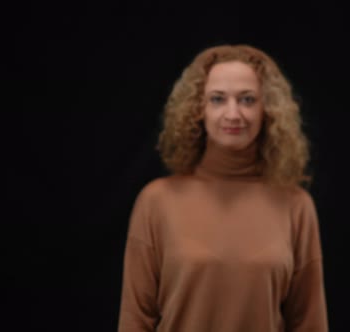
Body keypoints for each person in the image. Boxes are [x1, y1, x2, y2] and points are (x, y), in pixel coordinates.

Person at [117, 44, 329, 332]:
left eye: (247, 99)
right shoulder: (157, 200)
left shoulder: (295, 205)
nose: (233, 113)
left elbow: (310, 322)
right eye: (217, 99)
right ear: (197, 110)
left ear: (267, 109)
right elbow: (135, 320)